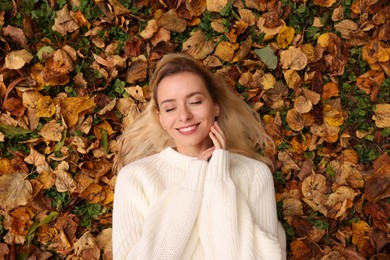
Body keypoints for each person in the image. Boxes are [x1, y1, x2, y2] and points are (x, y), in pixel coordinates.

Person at [112, 52, 286, 259]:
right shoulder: (135, 177)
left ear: (215, 106)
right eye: (170, 108)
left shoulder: (255, 173)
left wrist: (218, 177)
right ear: (161, 119)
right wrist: (192, 185)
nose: (184, 115)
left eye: (195, 102)